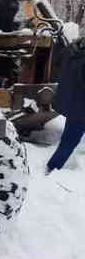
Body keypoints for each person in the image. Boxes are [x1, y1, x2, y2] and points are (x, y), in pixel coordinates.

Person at [46, 37, 85, 174]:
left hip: (73, 103)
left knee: (68, 140)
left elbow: (57, 65)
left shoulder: (72, 50)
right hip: (80, 108)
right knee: (69, 141)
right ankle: (52, 168)